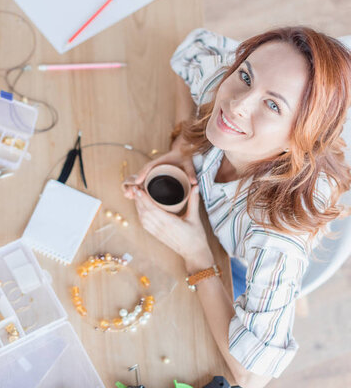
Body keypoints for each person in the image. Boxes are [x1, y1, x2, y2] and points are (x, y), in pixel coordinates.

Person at [123, 27, 351, 387]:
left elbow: (252, 376)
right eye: (246, 75)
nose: (236, 105)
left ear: (300, 139)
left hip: (242, 263)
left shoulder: (275, 239)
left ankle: (290, 298)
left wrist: (197, 255)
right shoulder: (230, 83)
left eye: (273, 105)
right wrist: (183, 145)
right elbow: (189, 50)